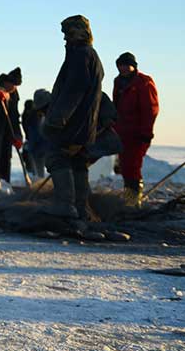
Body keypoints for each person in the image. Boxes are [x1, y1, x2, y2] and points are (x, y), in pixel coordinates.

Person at [42, 15, 104, 220]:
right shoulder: (90, 55)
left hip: (72, 126)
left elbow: (73, 91)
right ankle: (81, 208)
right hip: (84, 127)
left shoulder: (81, 56)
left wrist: (56, 119)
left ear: (80, 32)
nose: (65, 39)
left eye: (68, 34)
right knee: (78, 163)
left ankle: (65, 205)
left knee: (57, 157)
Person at [112, 52, 159, 205]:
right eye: (120, 65)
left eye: (126, 65)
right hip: (122, 133)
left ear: (134, 66)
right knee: (125, 167)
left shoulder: (144, 82)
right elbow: (116, 106)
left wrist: (146, 133)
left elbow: (150, 109)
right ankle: (129, 201)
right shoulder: (118, 82)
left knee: (132, 167)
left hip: (138, 133)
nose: (123, 68)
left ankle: (132, 203)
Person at [21, 89, 51, 178]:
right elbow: (35, 134)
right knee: (38, 169)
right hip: (39, 148)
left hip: (41, 147)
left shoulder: (38, 115)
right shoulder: (34, 117)